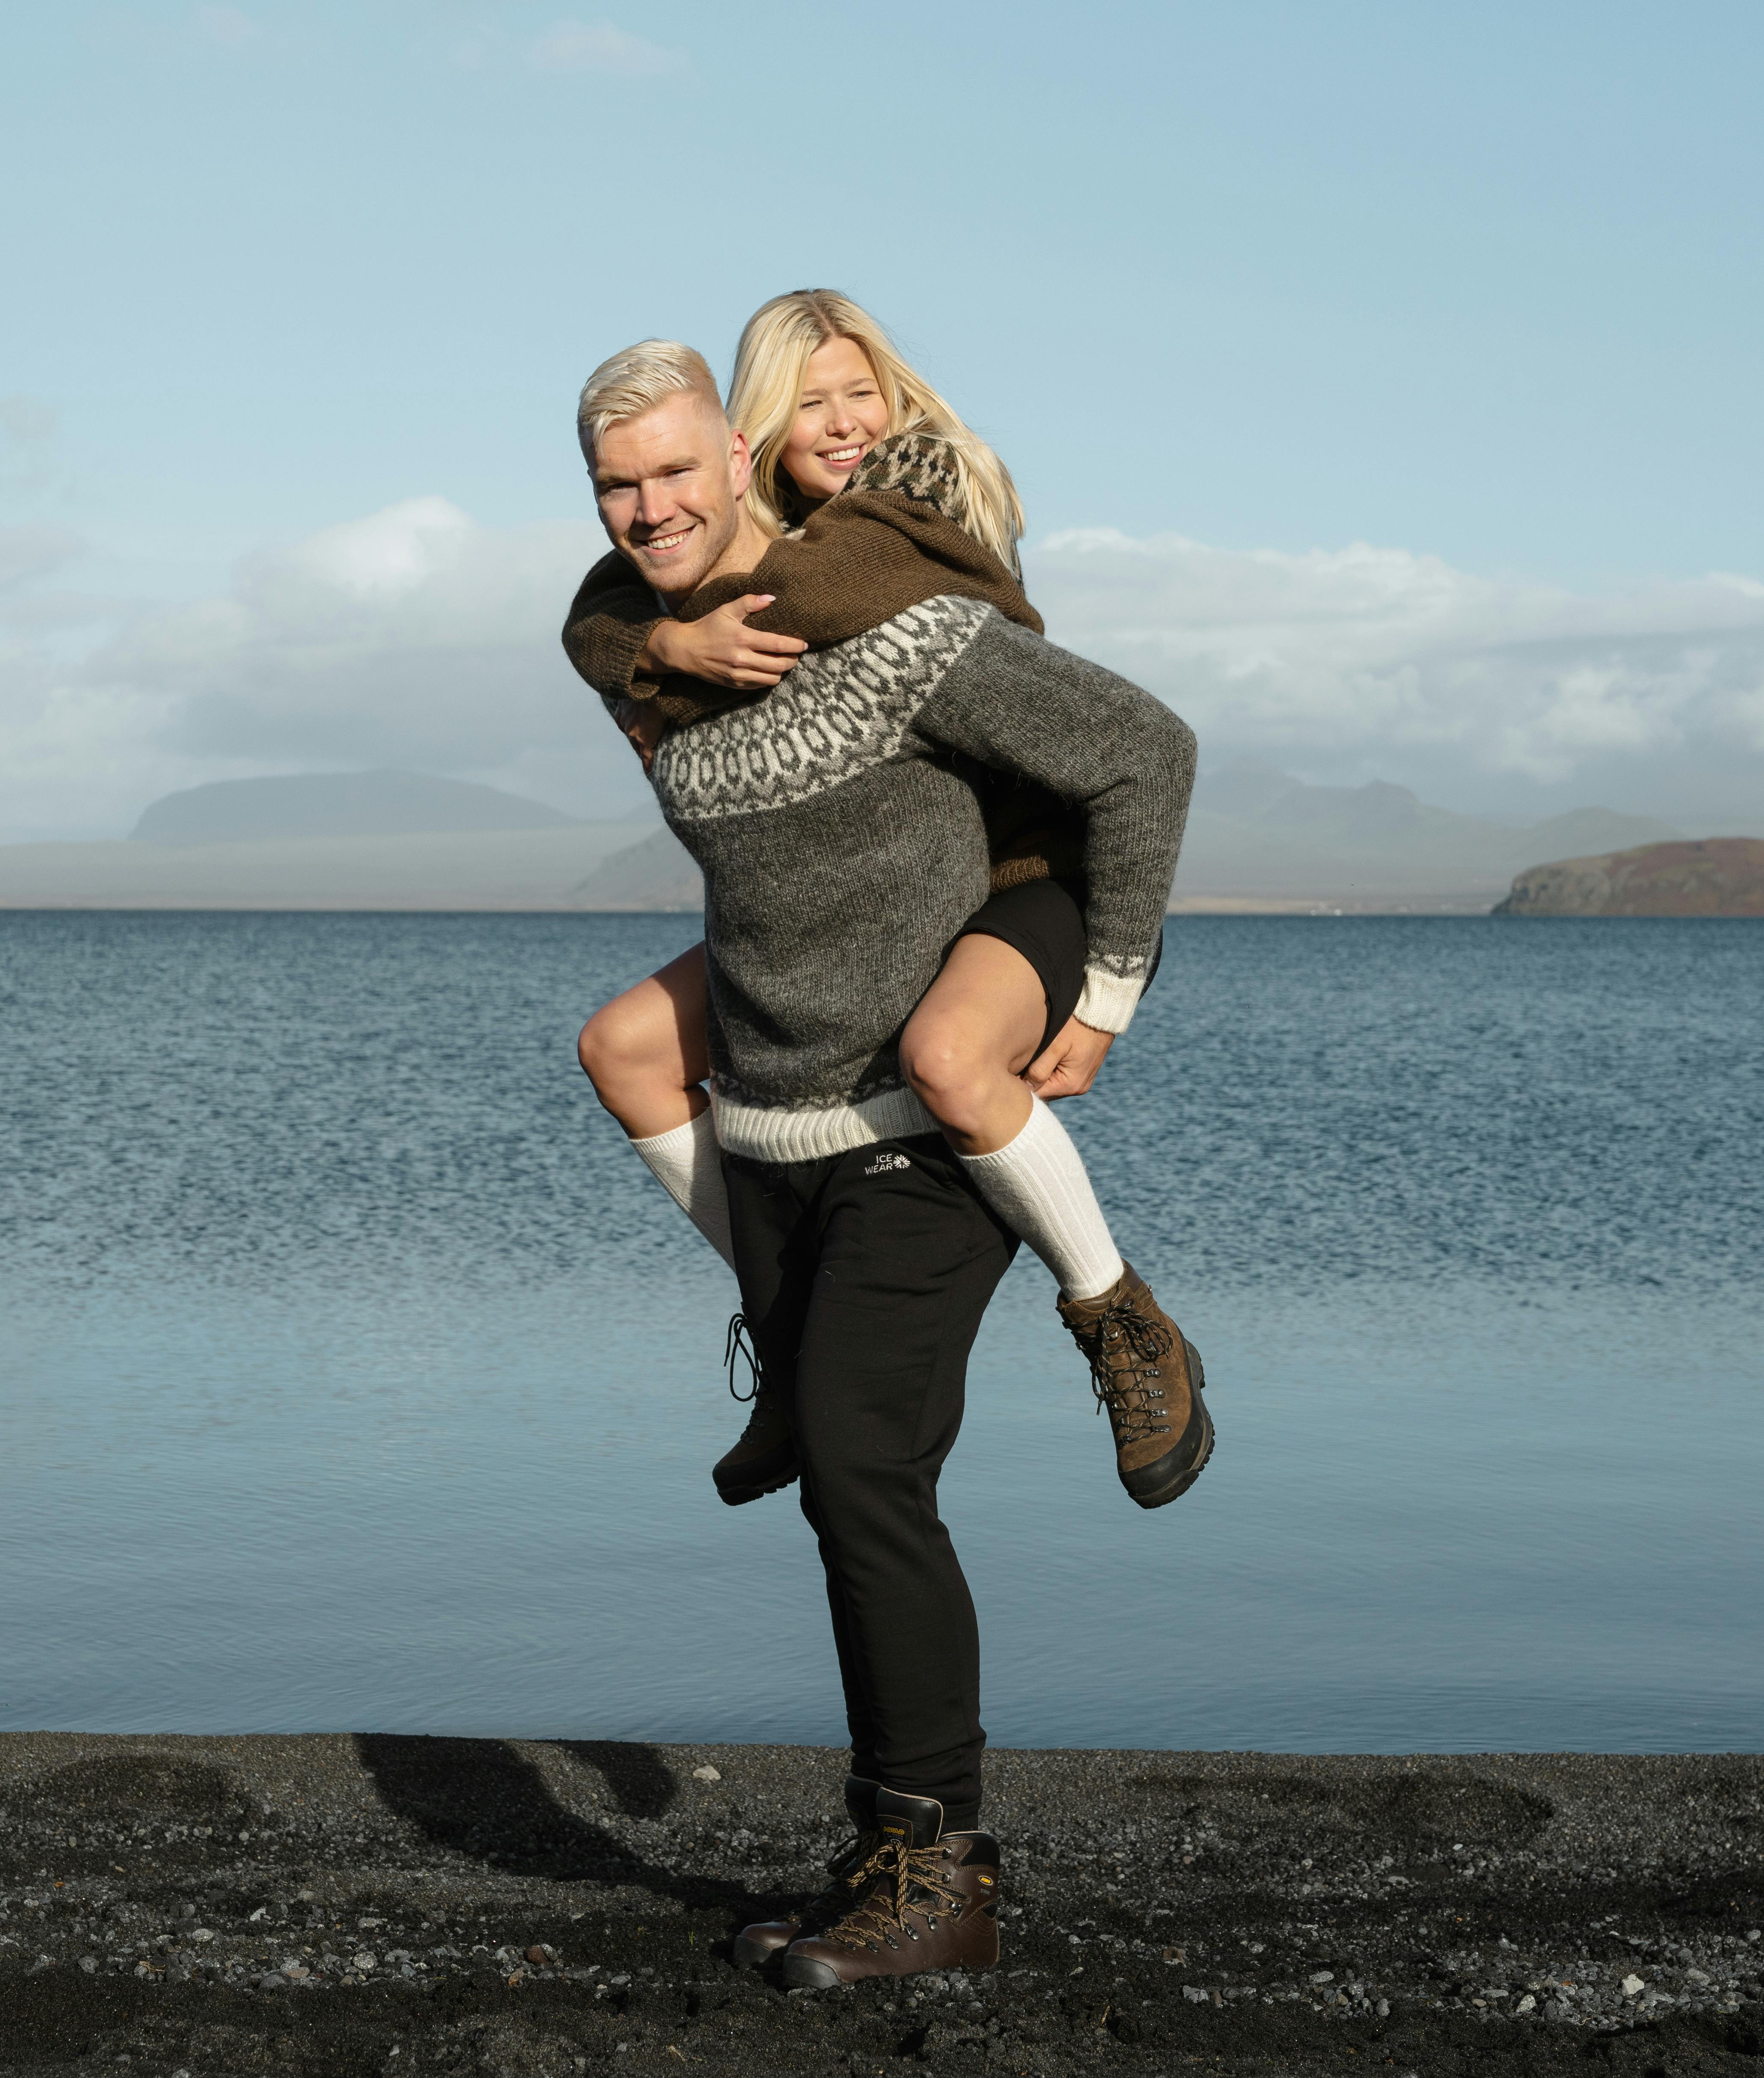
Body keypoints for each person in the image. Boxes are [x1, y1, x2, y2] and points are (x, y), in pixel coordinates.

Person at [571, 335, 1200, 1988]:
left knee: (863, 1470)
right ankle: (886, 1854)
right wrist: (655, 639)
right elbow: (594, 618)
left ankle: (942, 1880)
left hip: (922, 1129)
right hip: (776, 1125)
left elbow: (1146, 752)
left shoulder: (891, 624)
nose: (649, 508)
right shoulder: (643, 657)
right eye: (617, 487)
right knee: (847, 1480)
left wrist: (1106, 989)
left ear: (741, 461)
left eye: (675, 473)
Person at [566, 291, 1203, 1517]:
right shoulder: (745, 540)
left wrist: (668, 642)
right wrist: (654, 644)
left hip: (1040, 872)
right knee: (625, 1046)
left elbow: (797, 592)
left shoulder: (905, 514)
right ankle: (789, 1342)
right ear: (758, 433)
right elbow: (601, 601)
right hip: (918, 880)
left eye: (864, 392)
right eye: (810, 402)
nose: (846, 422)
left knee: (950, 1059)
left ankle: (1117, 1314)